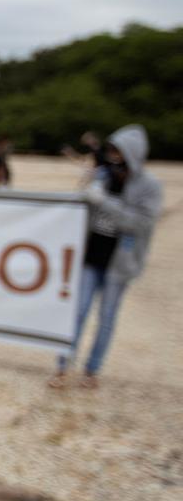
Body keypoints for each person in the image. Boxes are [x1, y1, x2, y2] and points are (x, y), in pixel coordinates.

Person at [50, 124, 162, 390]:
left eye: (118, 151)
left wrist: (104, 202)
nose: (113, 155)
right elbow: (82, 208)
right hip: (91, 256)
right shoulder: (102, 176)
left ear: (132, 153)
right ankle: (63, 367)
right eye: (111, 150)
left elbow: (140, 223)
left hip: (120, 262)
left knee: (107, 318)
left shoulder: (150, 186)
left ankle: (92, 370)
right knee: (76, 313)